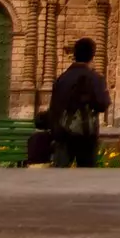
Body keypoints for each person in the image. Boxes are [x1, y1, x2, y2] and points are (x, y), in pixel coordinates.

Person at [46, 37, 110, 167]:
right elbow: (103, 104)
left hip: (64, 132)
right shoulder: (95, 78)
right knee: (87, 174)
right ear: (92, 55)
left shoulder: (62, 79)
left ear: (74, 55)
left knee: (61, 172)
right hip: (87, 133)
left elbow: (54, 107)